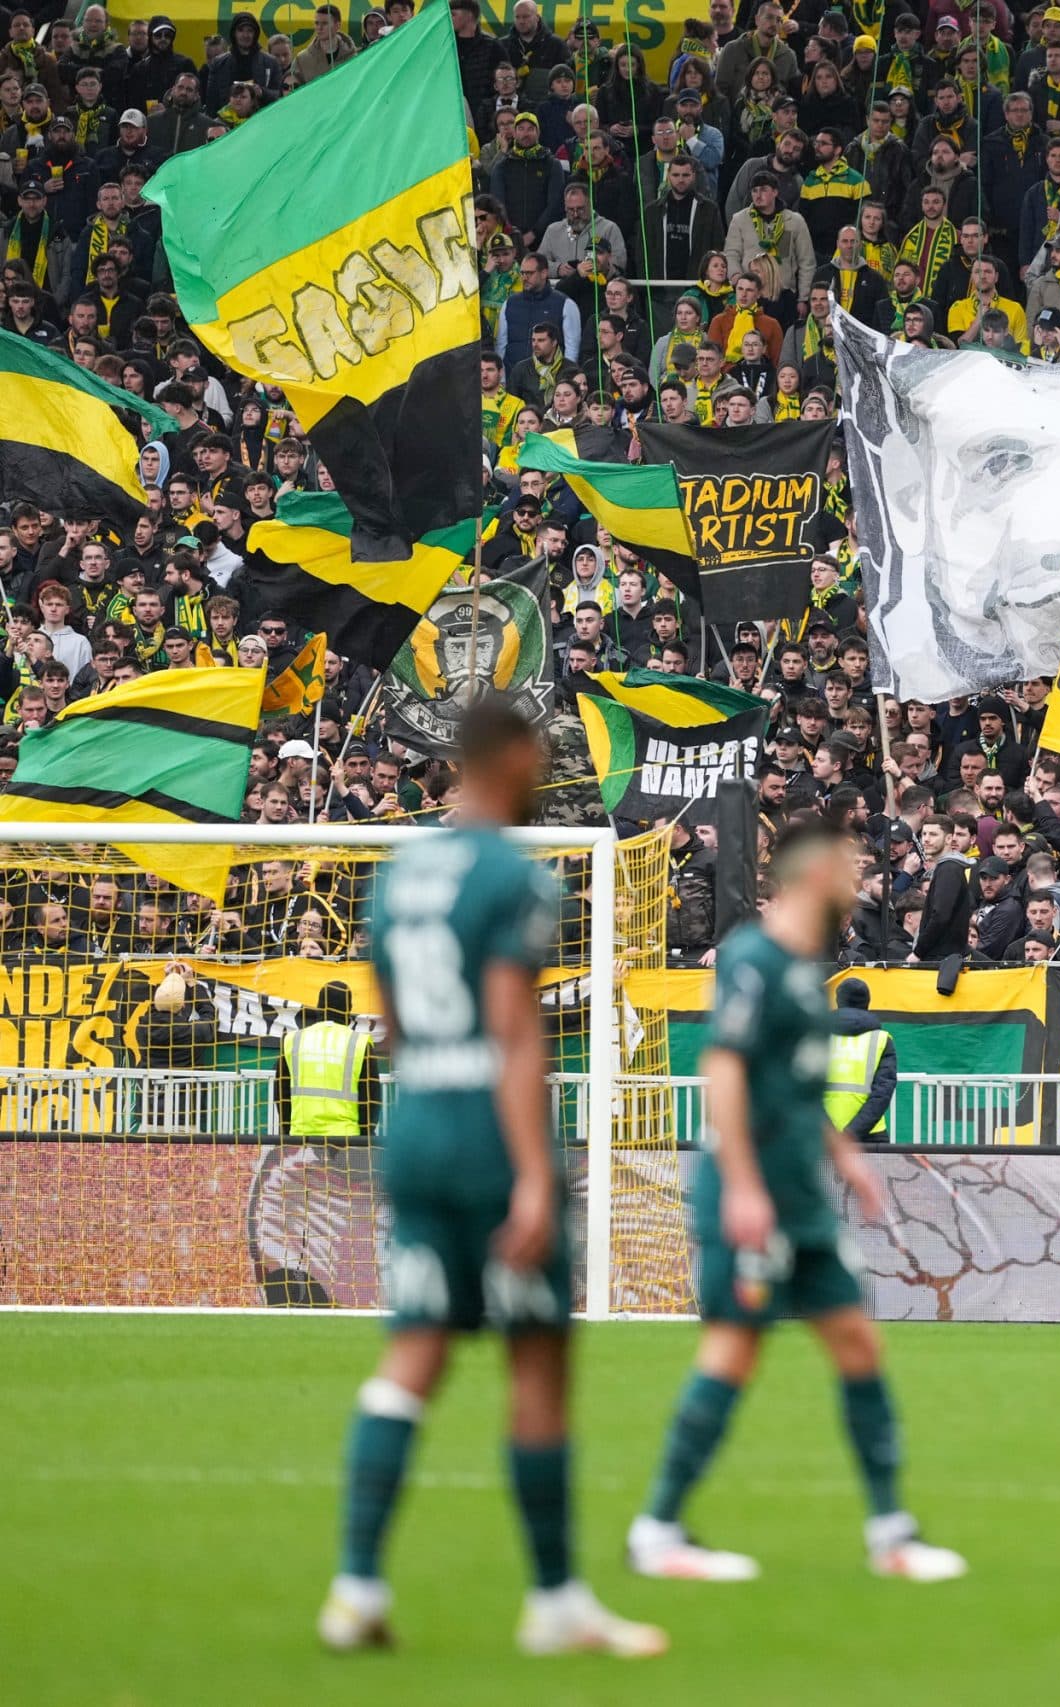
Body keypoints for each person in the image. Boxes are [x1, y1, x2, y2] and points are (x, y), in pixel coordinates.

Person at [321, 701, 666, 1657]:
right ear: (509, 758)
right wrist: (530, 1179)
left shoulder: (395, 877)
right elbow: (516, 1034)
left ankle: (354, 1587)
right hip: (485, 1134)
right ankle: (555, 1601)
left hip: (415, 1126)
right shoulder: (513, 877)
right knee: (537, 1364)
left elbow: (391, 1026)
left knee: (415, 1354)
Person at [627, 818, 965, 1584]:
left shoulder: (804, 969)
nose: (861, 886)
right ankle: (658, 1527)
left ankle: (892, 1531)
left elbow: (793, 1084)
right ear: (813, 880)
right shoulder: (752, 957)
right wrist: (745, 1187)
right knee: (734, 1351)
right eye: (851, 873)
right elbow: (726, 1073)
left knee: (857, 1343)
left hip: (800, 1195)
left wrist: (848, 1159)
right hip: (754, 1193)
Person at [275, 979, 380, 1142]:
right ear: (349, 1009)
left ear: (319, 1006)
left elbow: (281, 1092)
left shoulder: (292, 1040)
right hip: (347, 1139)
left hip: (301, 1137)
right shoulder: (359, 1043)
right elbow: (371, 1097)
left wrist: (288, 1132)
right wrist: (366, 1137)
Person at [821, 975, 897, 1144]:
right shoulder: (882, 1040)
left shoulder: (819, 1036)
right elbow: (882, 1093)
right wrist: (852, 1133)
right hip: (871, 1135)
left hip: (824, 1136)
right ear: (867, 1004)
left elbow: (806, 1089)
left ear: (838, 1001)